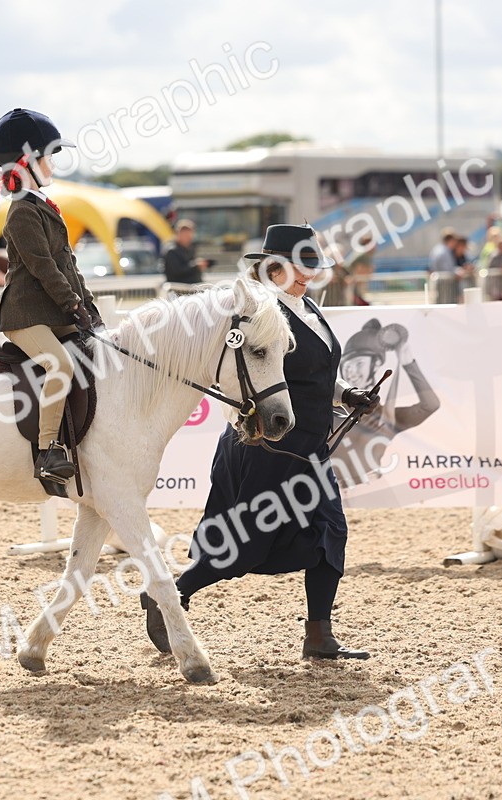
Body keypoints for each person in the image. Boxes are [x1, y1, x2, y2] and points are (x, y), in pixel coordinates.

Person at [140, 224, 378, 661]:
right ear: (273, 267)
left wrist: (346, 394)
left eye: (312, 266)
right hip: (264, 446)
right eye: (300, 266)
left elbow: (317, 373)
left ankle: (319, 635)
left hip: (308, 446)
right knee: (243, 545)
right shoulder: (263, 314)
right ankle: (172, 593)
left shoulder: (308, 308)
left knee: (331, 531)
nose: (309, 275)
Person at [0, 108, 102, 487]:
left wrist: (89, 306)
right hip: (25, 315)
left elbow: (67, 263)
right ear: (27, 162)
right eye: (47, 157)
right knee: (59, 365)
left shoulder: (42, 205)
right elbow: (43, 268)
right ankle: (49, 449)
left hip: (54, 312)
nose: (52, 164)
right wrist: (72, 305)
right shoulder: (21, 211)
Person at [331, 319, 440, 488]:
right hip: (324, 488)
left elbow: (430, 405)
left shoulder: (387, 417)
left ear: (375, 366)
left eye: (359, 364)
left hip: (365, 489)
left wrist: (407, 361)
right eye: (347, 365)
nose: (351, 371)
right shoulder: (329, 405)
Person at [161, 219, 208, 285]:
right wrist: (196, 266)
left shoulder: (190, 249)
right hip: (179, 289)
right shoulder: (171, 251)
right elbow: (177, 272)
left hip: (193, 288)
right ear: (178, 234)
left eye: (189, 234)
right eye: (184, 234)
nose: (187, 237)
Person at [428, 228, 458, 303]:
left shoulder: (438, 249)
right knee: (445, 303)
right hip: (444, 284)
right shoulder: (444, 252)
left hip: (440, 282)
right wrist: (456, 273)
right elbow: (446, 270)